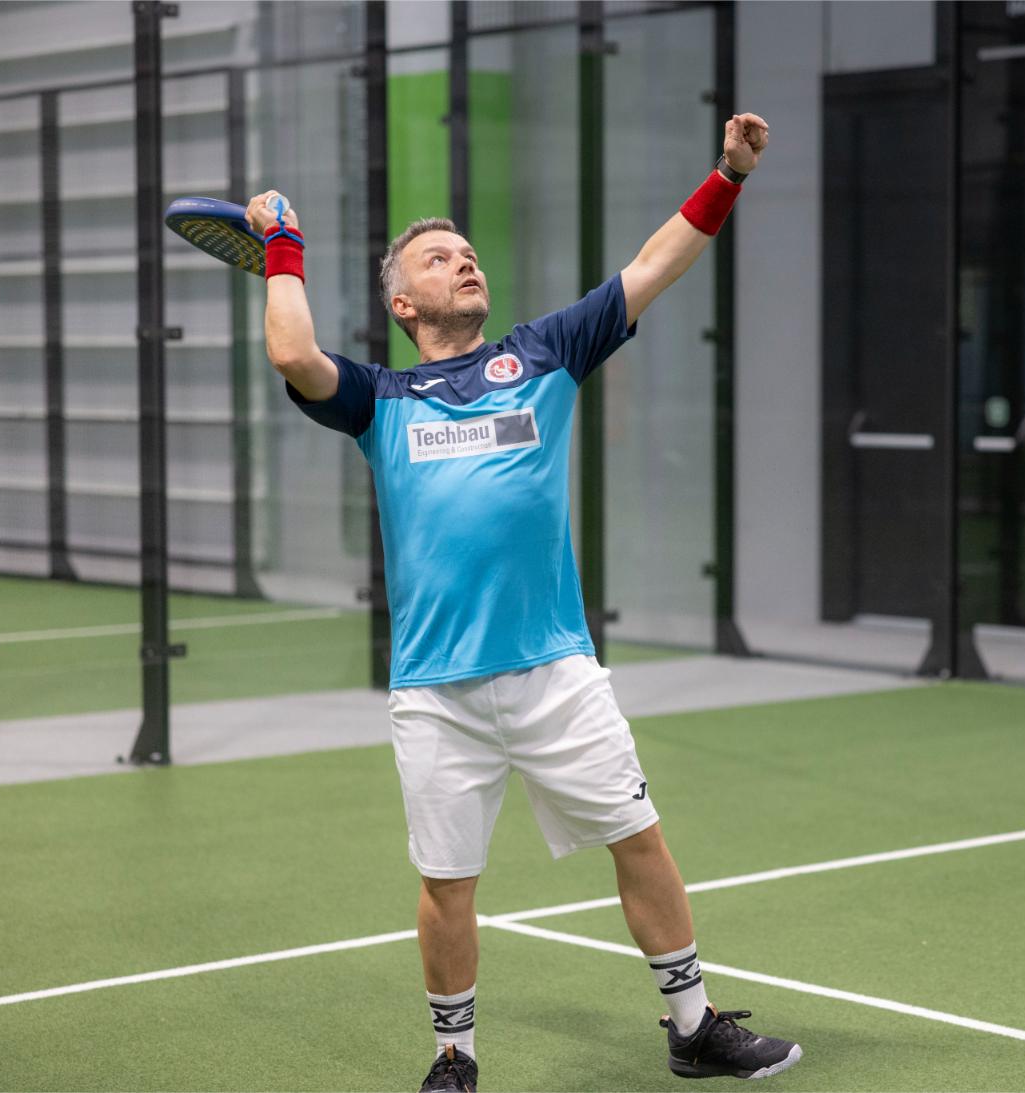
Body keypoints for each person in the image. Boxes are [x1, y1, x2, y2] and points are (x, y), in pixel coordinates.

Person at [247, 112, 799, 1093]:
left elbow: (653, 266)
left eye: (467, 251)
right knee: (447, 883)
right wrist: (281, 244)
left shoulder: (544, 353)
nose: (463, 260)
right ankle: (454, 1057)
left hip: (556, 671)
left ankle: (693, 1026)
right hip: (437, 690)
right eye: (438, 257)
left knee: (640, 840)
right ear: (404, 303)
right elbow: (293, 353)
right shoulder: (379, 400)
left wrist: (728, 175)